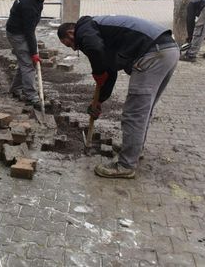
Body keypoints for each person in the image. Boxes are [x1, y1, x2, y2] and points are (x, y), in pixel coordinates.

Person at [57, 15, 179, 178]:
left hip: (152, 53)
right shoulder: (99, 30)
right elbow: (111, 71)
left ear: (71, 33)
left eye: (70, 44)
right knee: (143, 110)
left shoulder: (84, 29)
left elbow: (95, 51)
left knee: (134, 113)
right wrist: (99, 100)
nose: (73, 48)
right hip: (167, 49)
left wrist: (98, 72)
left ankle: (125, 165)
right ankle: (134, 150)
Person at [6, 0, 53, 108]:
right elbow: (28, 31)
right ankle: (31, 96)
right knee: (28, 64)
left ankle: (15, 89)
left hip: (22, 30)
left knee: (25, 62)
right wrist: (34, 52)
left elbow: (30, 26)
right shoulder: (28, 3)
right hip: (17, 34)